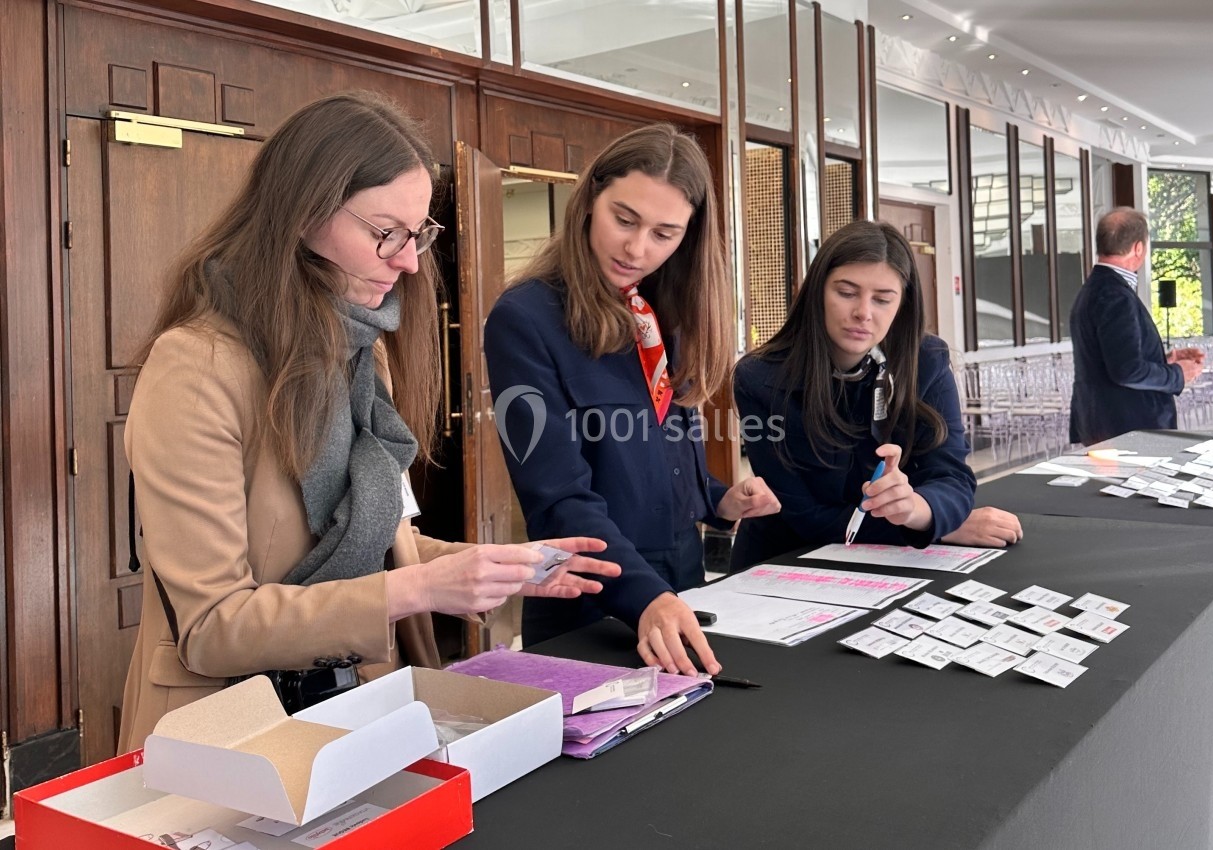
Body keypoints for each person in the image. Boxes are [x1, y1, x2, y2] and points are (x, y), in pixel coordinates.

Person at [119, 92, 618, 752]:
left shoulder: (360, 356)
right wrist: (421, 586)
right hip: (229, 733)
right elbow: (214, 626)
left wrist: (486, 567)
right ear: (301, 213)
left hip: (355, 707)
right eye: (386, 232)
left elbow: (381, 543)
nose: (409, 261)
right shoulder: (197, 368)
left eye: (417, 235)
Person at [485, 124, 780, 677]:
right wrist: (646, 597)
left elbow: (662, 452)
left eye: (664, 233)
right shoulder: (525, 319)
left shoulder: (661, 310)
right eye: (624, 219)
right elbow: (557, 495)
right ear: (590, 200)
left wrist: (716, 499)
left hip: (680, 585)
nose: (637, 248)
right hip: (592, 598)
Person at [730, 220, 979, 572]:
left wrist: (918, 510)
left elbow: (952, 477)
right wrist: (934, 531)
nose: (863, 312)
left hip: (889, 566)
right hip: (786, 564)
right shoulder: (760, 377)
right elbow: (804, 515)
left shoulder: (926, 361)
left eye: (882, 299)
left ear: (902, 304)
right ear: (817, 291)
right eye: (846, 293)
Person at [1069, 207, 1204, 445]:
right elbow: (1127, 371)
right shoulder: (1114, 295)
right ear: (1138, 248)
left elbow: (1111, 359)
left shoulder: (1093, 289)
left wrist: (1164, 360)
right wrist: (1177, 374)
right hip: (1129, 429)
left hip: (1105, 425)